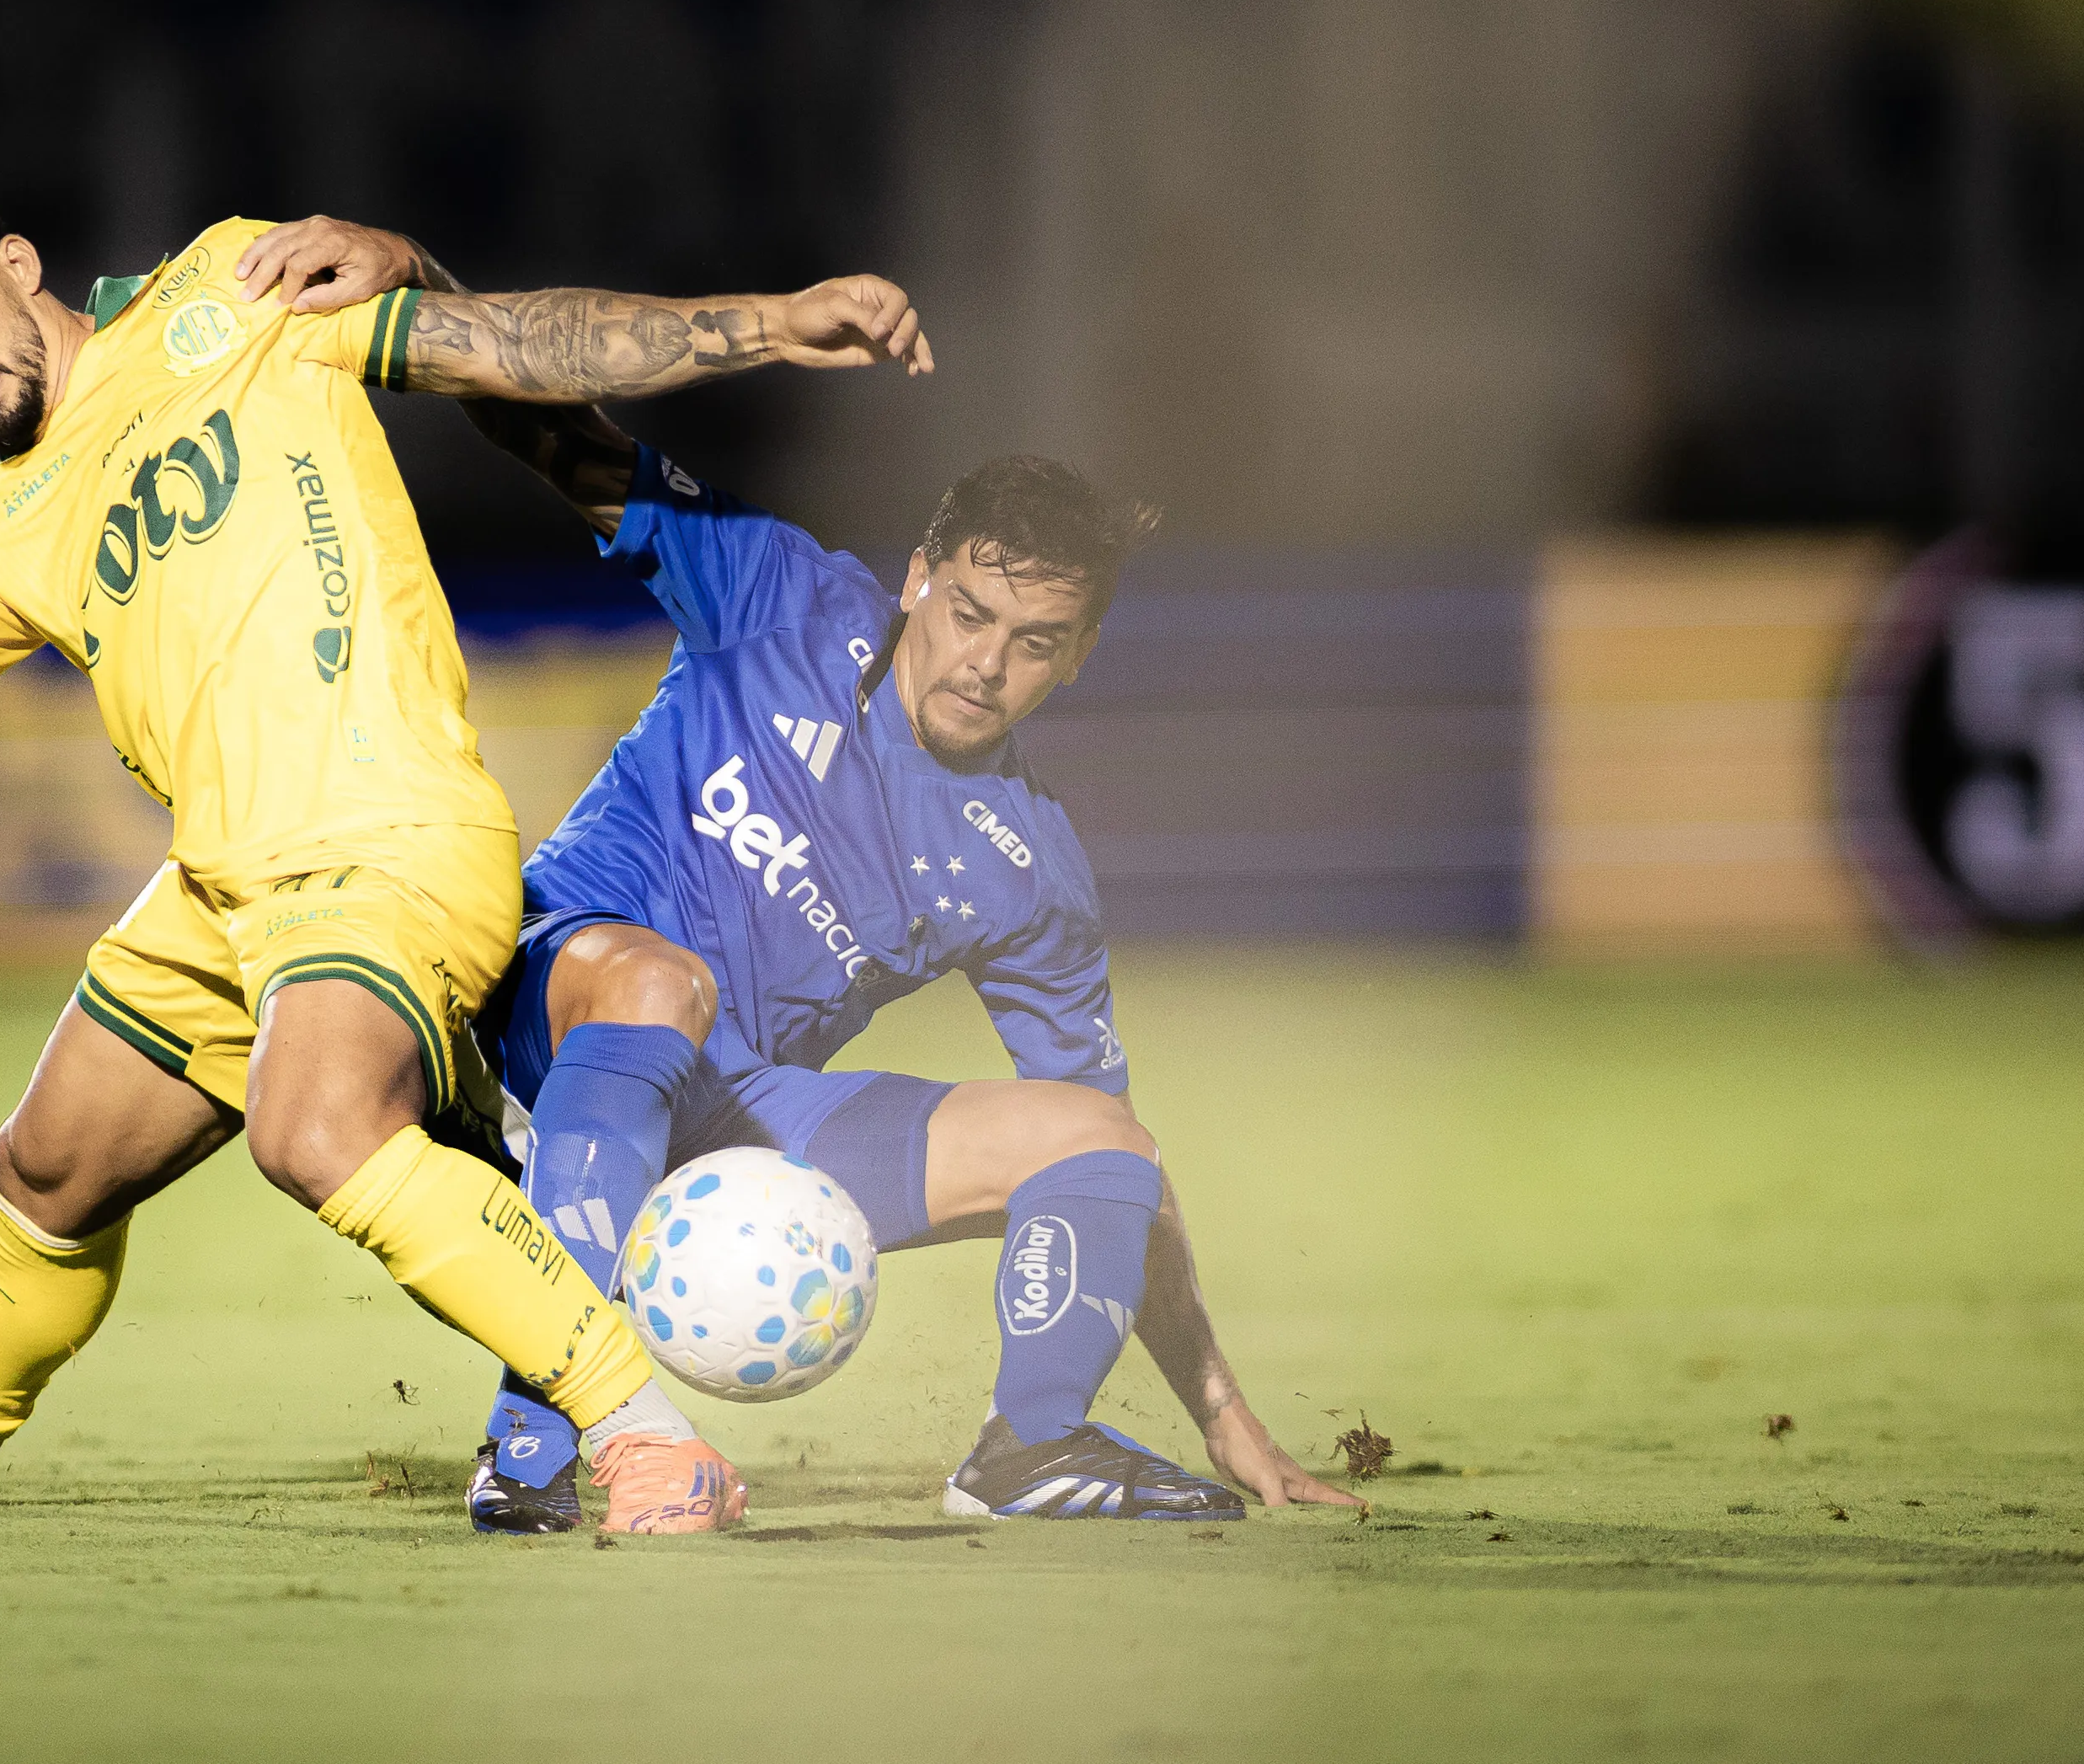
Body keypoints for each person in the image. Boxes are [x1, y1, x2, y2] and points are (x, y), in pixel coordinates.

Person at [0, 171, 931, 1536]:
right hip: (227, 884)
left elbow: (508, 346)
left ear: (16, 257)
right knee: (48, 1164)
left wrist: (771, 322)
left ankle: (645, 1435)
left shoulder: (232, 295)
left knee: (314, 1127)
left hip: (384, 832)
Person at [226, 220, 1367, 1530]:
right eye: (971, 615)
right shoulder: (784, 599)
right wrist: (421, 275)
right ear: (920, 578)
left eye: (1037, 641)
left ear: (1082, 654)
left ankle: (1032, 1448)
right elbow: (551, 427)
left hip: (725, 1103)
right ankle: (530, 1445)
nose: (987, 664)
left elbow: (1123, 1193)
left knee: (1107, 1142)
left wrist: (1224, 1410)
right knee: (661, 981)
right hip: (540, 1003)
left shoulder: (1030, 868)